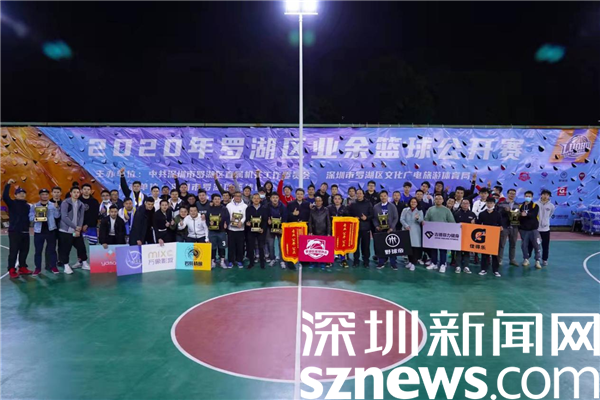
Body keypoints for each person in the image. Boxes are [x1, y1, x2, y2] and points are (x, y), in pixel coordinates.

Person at [4, 180, 33, 278]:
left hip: (25, 231)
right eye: (19, 193)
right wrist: (8, 184)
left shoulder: (28, 206)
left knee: (24, 251)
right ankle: (11, 269)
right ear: (15, 195)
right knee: (14, 251)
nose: (22, 194)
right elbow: (5, 196)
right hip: (14, 232)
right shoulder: (12, 203)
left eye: (23, 193)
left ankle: (22, 267)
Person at [29, 188, 61, 276]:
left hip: (51, 230)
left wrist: (57, 208)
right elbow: (30, 217)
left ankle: (53, 266)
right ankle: (37, 268)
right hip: (38, 231)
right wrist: (36, 217)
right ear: (40, 196)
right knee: (38, 251)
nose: (44, 196)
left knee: (52, 250)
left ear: (48, 195)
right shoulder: (35, 206)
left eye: (46, 194)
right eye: (43, 194)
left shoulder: (53, 205)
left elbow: (57, 216)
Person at [58, 186, 87, 274]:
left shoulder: (81, 204)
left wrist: (78, 229)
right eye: (74, 192)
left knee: (81, 247)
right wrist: (75, 227)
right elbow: (64, 217)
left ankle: (84, 263)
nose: (76, 194)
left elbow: (81, 217)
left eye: (78, 192)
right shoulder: (65, 203)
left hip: (76, 232)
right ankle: (66, 265)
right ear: (71, 193)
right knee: (65, 248)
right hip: (66, 231)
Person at [424, 194, 456, 273]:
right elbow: (426, 220)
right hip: (433, 233)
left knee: (443, 250)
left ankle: (442, 264)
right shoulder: (430, 209)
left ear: (443, 200)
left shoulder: (446, 210)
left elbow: (452, 221)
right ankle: (434, 263)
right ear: (434, 200)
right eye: (436, 199)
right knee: (433, 249)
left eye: (440, 199)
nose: (438, 200)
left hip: (443, 233)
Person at [373, 190, 399, 270]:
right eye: (381, 196)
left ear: (387, 197)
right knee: (381, 247)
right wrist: (377, 226)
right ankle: (381, 262)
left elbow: (395, 218)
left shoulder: (392, 206)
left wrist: (392, 228)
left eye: (385, 196)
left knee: (392, 247)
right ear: (379, 197)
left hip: (391, 230)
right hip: (380, 230)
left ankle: (393, 263)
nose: (383, 197)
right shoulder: (376, 207)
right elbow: (374, 218)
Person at [476, 198, 503, 277]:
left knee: (495, 254)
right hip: (485, 236)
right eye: (488, 203)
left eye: (491, 203)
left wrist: (501, 227)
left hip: (494, 236)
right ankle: (483, 269)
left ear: (494, 204)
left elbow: (501, 224)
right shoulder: (482, 214)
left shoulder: (497, 214)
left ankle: (495, 270)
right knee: (484, 254)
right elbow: (478, 224)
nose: (489, 205)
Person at [349, 189, 373, 268]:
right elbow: (349, 214)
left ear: (363, 194)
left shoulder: (368, 203)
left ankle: (366, 261)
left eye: (360, 193)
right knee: (355, 246)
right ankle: (356, 260)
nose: (359, 195)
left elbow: (372, 215)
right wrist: (353, 218)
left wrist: (366, 218)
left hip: (366, 228)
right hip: (355, 228)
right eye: (357, 193)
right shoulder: (353, 204)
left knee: (365, 246)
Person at [497, 188, 520, 266]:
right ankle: (499, 260)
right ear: (507, 194)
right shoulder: (501, 203)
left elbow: (518, 215)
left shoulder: (517, 205)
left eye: (513, 194)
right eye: (510, 193)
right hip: (504, 227)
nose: (512, 195)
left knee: (513, 244)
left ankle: (512, 259)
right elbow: (498, 214)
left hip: (514, 227)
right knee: (501, 244)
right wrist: (504, 210)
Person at [519, 190, 542, 269]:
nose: (528, 197)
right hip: (523, 230)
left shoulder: (535, 206)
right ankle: (526, 259)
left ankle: (537, 261)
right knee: (524, 245)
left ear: (532, 197)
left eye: (529, 196)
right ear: (524, 196)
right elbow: (518, 216)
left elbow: (533, 215)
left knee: (537, 245)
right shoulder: (520, 206)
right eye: (526, 196)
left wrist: (526, 214)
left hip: (533, 229)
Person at [245, 193, 268, 269]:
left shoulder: (264, 209)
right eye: (254, 198)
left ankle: (262, 263)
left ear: (260, 199)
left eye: (258, 198)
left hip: (261, 230)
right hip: (251, 231)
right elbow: (247, 219)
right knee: (251, 247)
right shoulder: (248, 208)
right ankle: (251, 262)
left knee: (261, 246)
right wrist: (247, 223)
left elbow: (265, 220)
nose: (256, 200)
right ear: (252, 199)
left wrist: (263, 229)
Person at [308, 196, 331, 269]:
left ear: (322, 202)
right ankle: (313, 262)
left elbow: (328, 222)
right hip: (314, 231)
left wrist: (328, 233)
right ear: (315, 202)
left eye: (319, 201)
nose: (318, 202)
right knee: (313, 248)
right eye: (316, 201)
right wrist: (310, 231)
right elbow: (310, 222)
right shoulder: (312, 210)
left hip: (323, 231)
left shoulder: (326, 210)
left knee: (322, 248)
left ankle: (322, 263)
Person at [400, 198, 423, 271]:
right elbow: (401, 219)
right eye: (412, 202)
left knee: (415, 248)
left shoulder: (419, 211)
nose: (413, 203)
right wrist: (406, 226)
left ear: (417, 203)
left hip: (415, 231)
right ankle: (410, 261)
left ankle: (413, 263)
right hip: (406, 230)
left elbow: (422, 221)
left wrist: (418, 218)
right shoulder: (405, 210)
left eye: (415, 202)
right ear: (409, 203)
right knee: (408, 247)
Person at [207, 193, 230, 268]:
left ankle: (222, 261)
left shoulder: (224, 209)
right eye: (215, 199)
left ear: (220, 200)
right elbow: (207, 219)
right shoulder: (209, 209)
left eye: (218, 199)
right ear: (212, 200)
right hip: (212, 231)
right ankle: (213, 261)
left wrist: (226, 223)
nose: (217, 200)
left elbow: (228, 218)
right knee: (212, 247)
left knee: (222, 246)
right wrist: (209, 223)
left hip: (222, 231)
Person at [453, 199, 476, 274]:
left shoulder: (472, 214)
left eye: (467, 203)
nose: (465, 205)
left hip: (468, 236)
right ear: (461, 204)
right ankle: (458, 266)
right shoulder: (456, 213)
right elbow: (453, 224)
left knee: (467, 251)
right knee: (458, 251)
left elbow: (476, 226)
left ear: (469, 205)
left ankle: (466, 266)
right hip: (458, 236)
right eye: (464, 203)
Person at [226, 191, 248, 268]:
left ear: (241, 197)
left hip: (240, 229)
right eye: (236, 196)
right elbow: (227, 215)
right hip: (231, 229)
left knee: (240, 246)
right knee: (231, 246)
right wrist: (230, 220)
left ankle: (239, 261)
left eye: (239, 196)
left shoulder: (245, 206)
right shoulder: (229, 205)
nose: (237, 197)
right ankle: (230, 261)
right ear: (233, 197)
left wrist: (241, 222)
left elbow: (245, 216)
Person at [327, 194, 349, 267]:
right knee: (330, 244)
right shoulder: (329, 208)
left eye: (339, 199)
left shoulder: (345, 208)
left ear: (341, 200)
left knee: (342, 244)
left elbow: (348, 218)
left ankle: (343, 259)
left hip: (341, 230)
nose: (337, 200)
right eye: (335, 199)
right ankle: (329, 260)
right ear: (333, 200)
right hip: (331, 229)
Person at [266, 193, 287, 269]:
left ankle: (282, 260)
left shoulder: (283, 207)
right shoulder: (267, 206)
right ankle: (272, 259)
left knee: (281, 244)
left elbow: (285, 218)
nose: (275, 199)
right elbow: (265, 216)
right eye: (273, 197)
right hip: (270, 228)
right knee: (270, 244)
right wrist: (267, 220)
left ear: (278, 199)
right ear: (271, 199)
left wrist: (282, 228)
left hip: (280, 228)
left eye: (276, 197)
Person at [534, 189, 555, 266]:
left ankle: (544, 259)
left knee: (545, 245)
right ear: (541, 195)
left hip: (546, 229)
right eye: (544, 194)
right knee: (534, 245)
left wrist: (545, 222)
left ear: (549, 196)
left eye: (547, 195)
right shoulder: (535, 204)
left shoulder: (551, 206)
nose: (545, 196)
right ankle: (534, 259)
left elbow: (550, 215)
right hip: (536, 228)